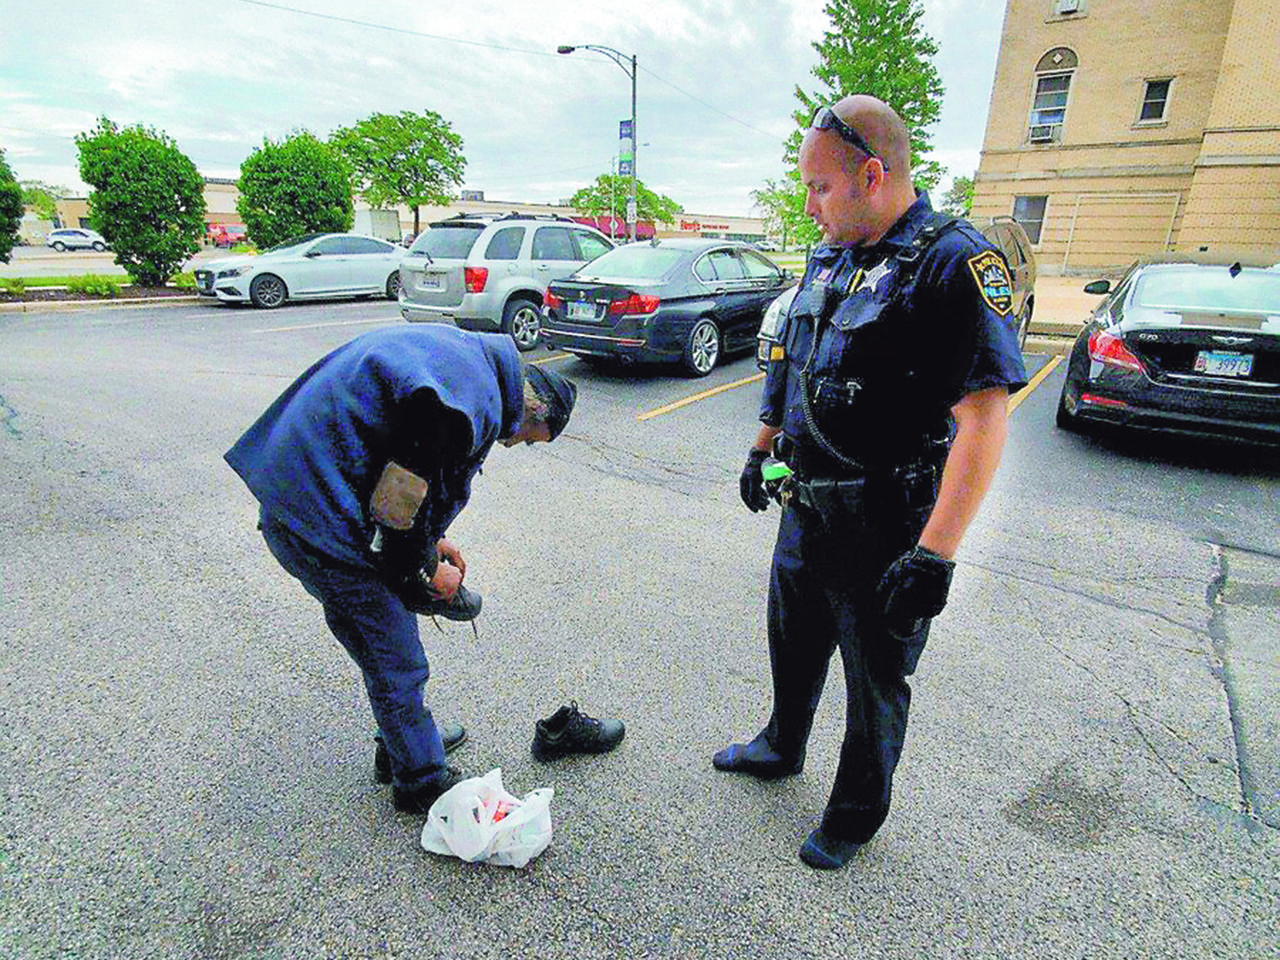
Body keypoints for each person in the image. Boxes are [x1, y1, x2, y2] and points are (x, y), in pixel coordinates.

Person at [718, 95, 1028, 869]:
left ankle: (854, 816)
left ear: (873, 174)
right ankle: (782, 745)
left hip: (887, 525)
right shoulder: (832, 252)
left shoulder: (954, 262)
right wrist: (763, 447)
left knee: (874, 680)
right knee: (792, 643)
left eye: (820, 186)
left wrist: (938, 554)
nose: (808, 203)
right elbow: (790, 359)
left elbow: (985, 420)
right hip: (807, 508)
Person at [225, 323, 582, 815]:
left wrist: (431, 541)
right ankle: (419, 779)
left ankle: (400, 744)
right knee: (395, 654)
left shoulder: (470, 367)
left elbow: (403, 467)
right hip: (317, 524)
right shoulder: (460, 409)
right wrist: (428, 571)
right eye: (533, 440)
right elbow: (395, 514)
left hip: (301, 500)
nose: (518, 445)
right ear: (532, 409)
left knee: (380, 640)